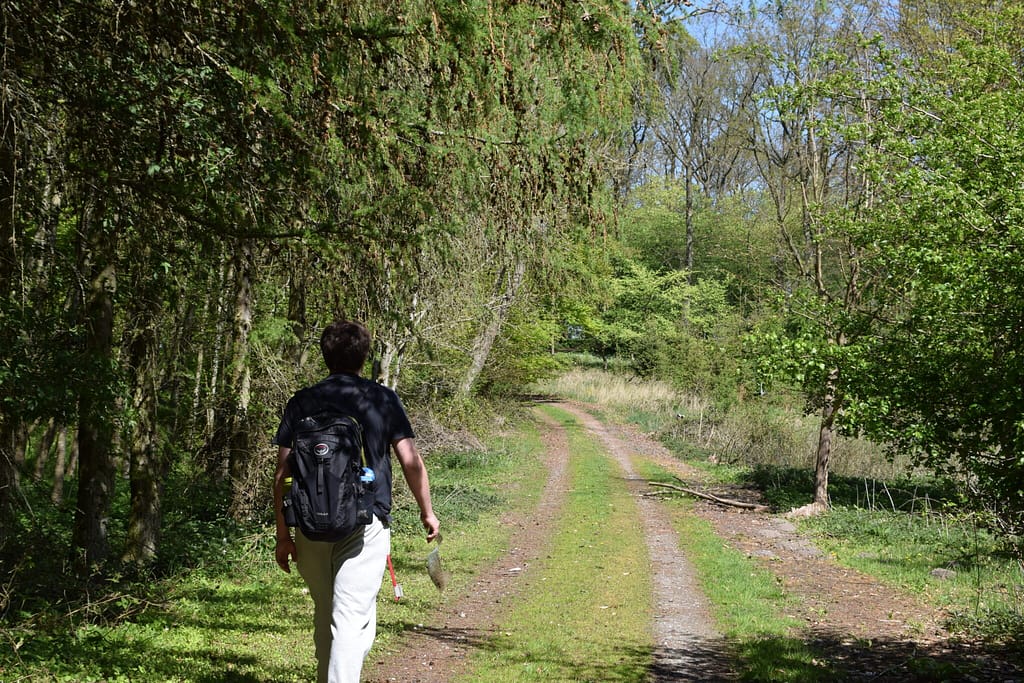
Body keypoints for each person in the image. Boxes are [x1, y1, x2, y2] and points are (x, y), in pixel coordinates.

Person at [273, 320, 440, 683]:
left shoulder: (301, 402)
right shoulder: (381, 399)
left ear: (325, 355)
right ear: (364, 357)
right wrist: (427, 512)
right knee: (349, 617)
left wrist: (283, 534)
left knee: (329, 616)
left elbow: (281, 476)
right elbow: (411, 461)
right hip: (367, 521)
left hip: (308, 525)